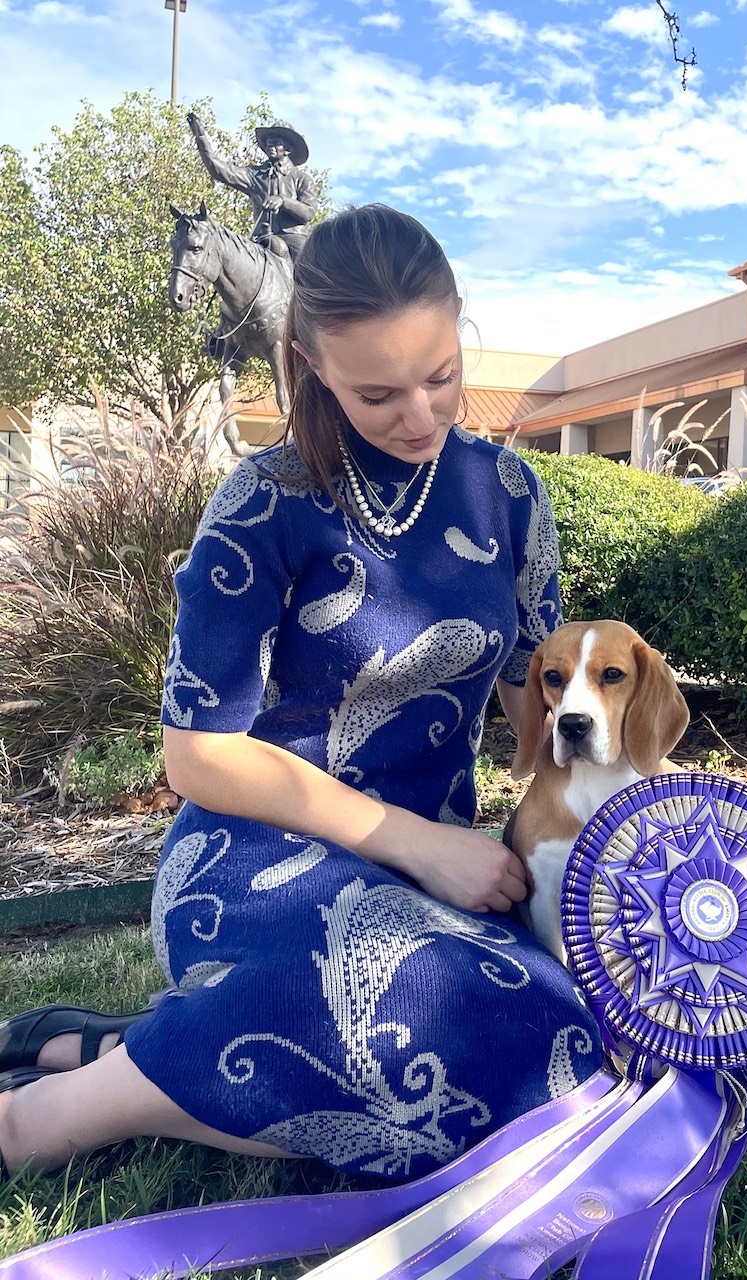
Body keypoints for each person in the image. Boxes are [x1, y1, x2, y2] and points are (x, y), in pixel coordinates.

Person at [0, 205, 601, 1181]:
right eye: (378, 393)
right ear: (311, 363)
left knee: (563, 1033)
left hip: (437, 875)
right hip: (253, 860)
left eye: (441, 375)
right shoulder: (262, 503)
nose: (421, 416)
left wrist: (607, 815)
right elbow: (198, 756)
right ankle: (44, 1117)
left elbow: (531, 691)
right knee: (423, 1020)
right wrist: (417, 843)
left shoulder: (510, 495)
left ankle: (118, 1046)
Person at [187, 112, 318, 261]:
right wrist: (201, 138)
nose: (270, 145)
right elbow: (219, 169)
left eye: (275, 142)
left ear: (287, 150)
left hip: (292, 238)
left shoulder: (302, 179)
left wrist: (283, 201)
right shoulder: (254, 175)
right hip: (260, 238)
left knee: (309, 263)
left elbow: (308, 212)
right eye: (268, 142)